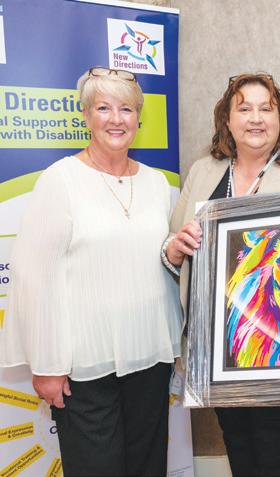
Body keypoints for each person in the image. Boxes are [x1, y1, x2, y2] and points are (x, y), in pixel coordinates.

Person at [0, 67, 182, 476]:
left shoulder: (157, 184)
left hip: (150, 361)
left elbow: (161, 263)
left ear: (138, 118)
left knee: (149, 466)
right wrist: (46, 365)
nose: (116, 119)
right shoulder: (61, 180)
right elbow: (34, 278)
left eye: (126, 109)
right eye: (103, 108)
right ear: (85, 115)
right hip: (85, 366)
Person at [163, 72, 280, 477]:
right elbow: (172, 245)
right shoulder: (203, 171)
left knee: (275, 445)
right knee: (237, 442)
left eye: (266, 109)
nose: (255, 118)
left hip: (275, 343)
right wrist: (176, 246)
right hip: (215, 343)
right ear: (227, 121)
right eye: (244, 108)